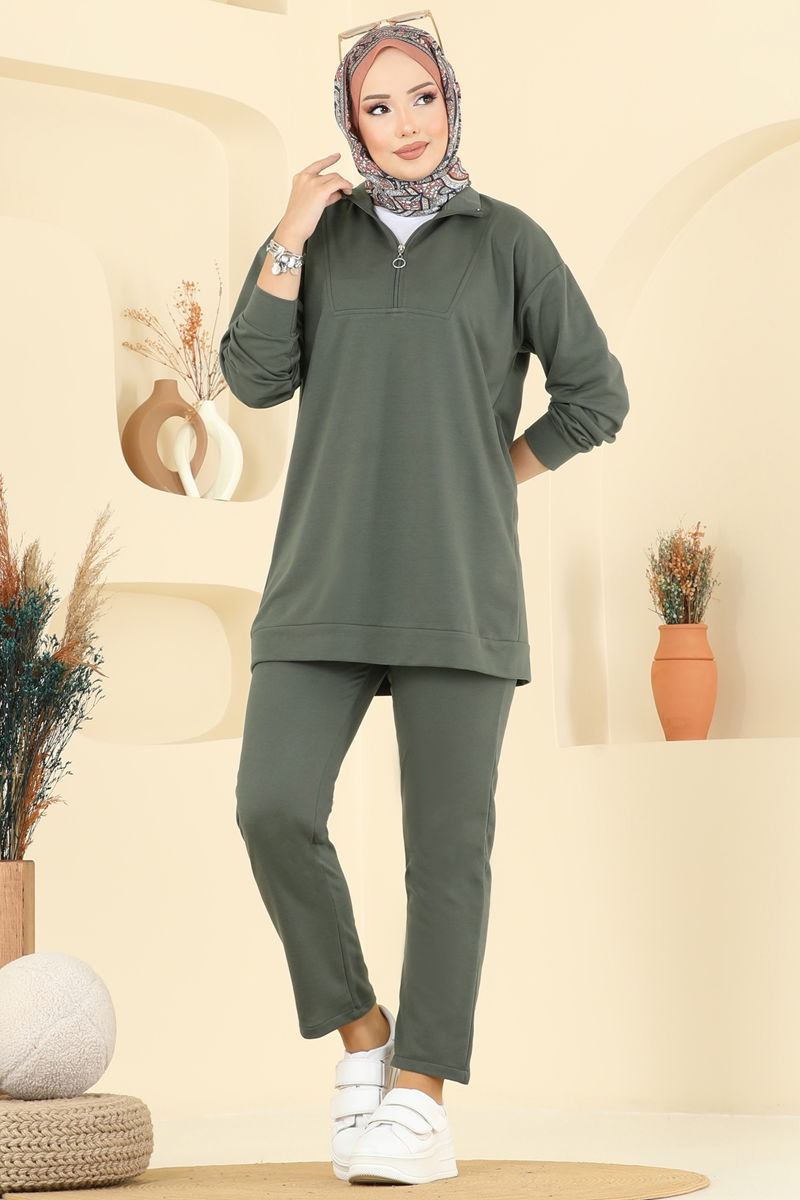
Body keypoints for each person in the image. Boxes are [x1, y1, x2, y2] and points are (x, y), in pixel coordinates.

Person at [219, 15, 629, 1187]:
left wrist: (491, 474)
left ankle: (420, 1098)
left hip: (457, 588)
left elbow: (595, 396)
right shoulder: (320, 240)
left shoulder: (510, 242)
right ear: (348, 122)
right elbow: (253, 376)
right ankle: (364, 1037)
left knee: (446, 853)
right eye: (375, 106)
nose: (402, 124)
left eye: (420, 98)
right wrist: (289, 232)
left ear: (450, 100)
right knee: (270, 807)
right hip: (321, 582)